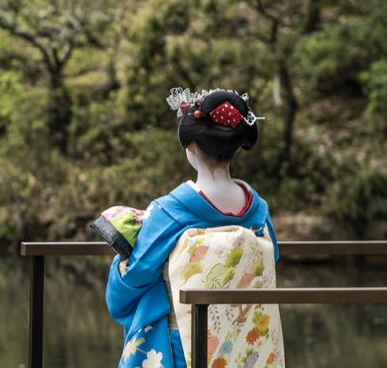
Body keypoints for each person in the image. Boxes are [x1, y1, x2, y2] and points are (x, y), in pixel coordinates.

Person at [105, 88, 283, 368]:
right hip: (244, 350)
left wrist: (121, 260)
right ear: (236, 147)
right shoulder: (258, 211)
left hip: (184, 349)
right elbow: (270, 260)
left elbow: (131, 283)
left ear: (191, 148)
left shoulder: (169, 211)